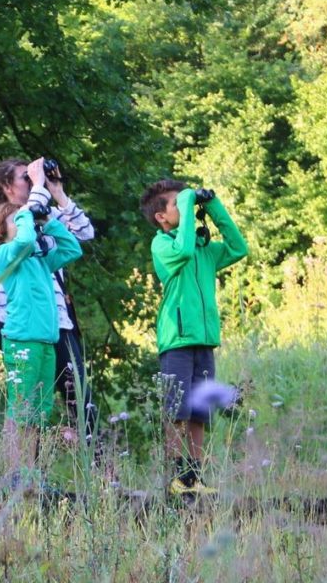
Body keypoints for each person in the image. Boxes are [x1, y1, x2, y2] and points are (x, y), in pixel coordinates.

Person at [139, 180, 248, 495]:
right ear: (161, 216)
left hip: (204, 340)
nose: (186, 207)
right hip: (177, 340)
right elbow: (183, 249)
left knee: (199, 411)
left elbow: (239, 247)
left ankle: (194, 477)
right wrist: (189, 201)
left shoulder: (205, 251)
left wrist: (211, 206)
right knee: (177, 410)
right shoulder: (163, 245)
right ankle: (177, 477)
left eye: (187, 203)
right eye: (177, 204)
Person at [0, 159, 82, 484]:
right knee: (22, 408)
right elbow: (23, 242)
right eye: (19, 220)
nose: (26, 223)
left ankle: (31, 473)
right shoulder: (1, 257)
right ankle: (15, 472)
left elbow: (72, 248)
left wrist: (46, 218)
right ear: (3, 231)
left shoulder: (38, 261)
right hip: (22, 339)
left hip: (46, 340)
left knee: (40, 413)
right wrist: (27, 211)